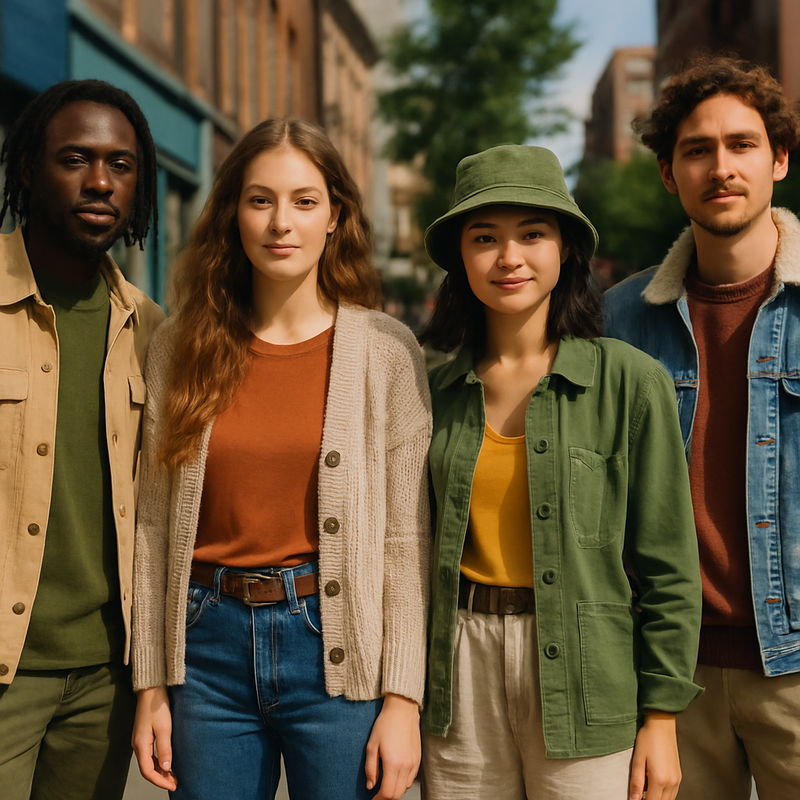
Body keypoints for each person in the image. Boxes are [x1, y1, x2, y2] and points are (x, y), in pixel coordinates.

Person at [131, 117, 431, 800]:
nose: (280, 223)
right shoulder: (179, 347)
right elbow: (152, 527)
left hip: (336, 649)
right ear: (232, 212)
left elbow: (405, 543)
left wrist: (403, 701)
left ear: (335, 217)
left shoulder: (387, 353)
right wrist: (151, 684)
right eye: (259, 199)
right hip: (204, 655)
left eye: (303, 201)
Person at [420, 144, 702, 800]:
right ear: (461, 257)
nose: (509, 257)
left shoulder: (630, 381)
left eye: (532, 234)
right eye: (484, 237)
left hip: (587, 670)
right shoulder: (431, 388)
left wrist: (661, 719)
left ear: (567, 248)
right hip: (458, 670)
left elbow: (668, 567)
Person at [603, 55, 800, 799]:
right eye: (697, 149)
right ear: (667, 173)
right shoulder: (618, 321)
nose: (722, 167)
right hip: (668, 679)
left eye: (743, 144)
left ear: (779, 159)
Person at [0, 80, 164, 799]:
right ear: (30, 168)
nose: (100, 181)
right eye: (76, 158)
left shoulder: (155, 332)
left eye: (120, 165)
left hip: (105, 680)